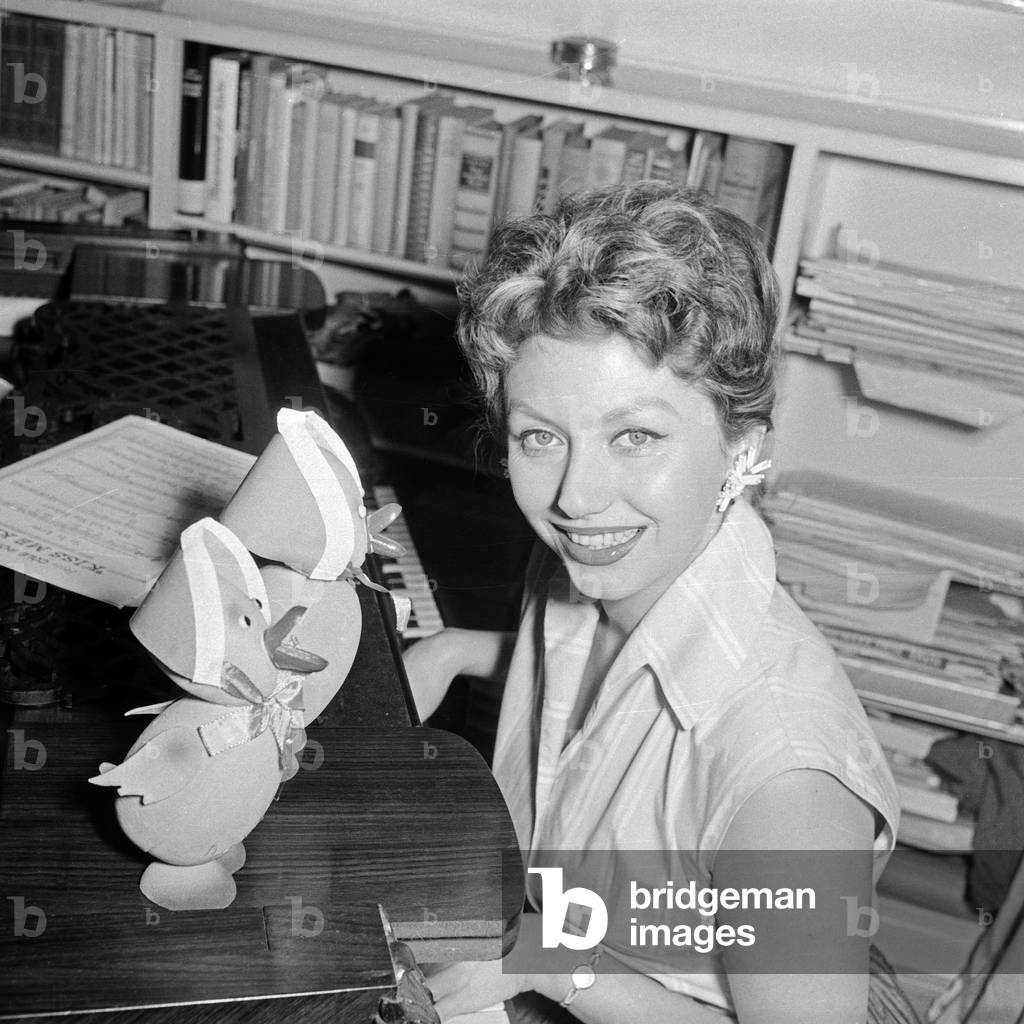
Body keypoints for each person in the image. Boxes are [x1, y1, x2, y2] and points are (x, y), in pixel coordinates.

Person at [403, 181, 907, 1023]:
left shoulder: (785, 780)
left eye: (635, 436)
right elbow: (595, 674)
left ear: (741, 449)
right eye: (540, 437)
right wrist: (457, 650)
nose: (578, 496)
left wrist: (557, 967)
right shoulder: (604, 557)